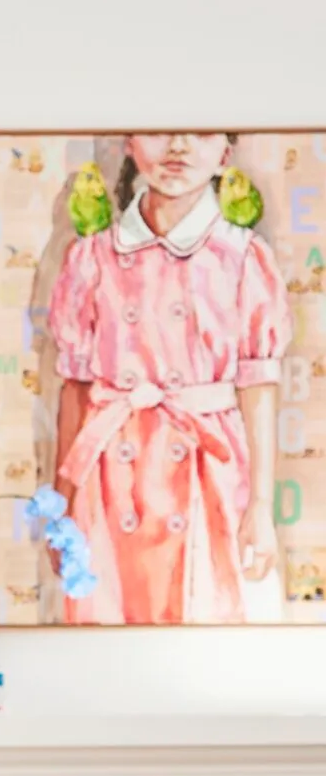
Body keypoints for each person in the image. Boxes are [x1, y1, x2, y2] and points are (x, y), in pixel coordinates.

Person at [47, 132, 290, 624]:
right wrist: (63, 504)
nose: (178, 146)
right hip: (112, 476)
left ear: (225, 153)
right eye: (160, 132)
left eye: (201, 134)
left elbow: (258, 386)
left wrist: (261, 505)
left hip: (210, 470)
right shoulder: (93, 257)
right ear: (131, 145)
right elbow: (73, 389)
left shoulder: (242, 256)